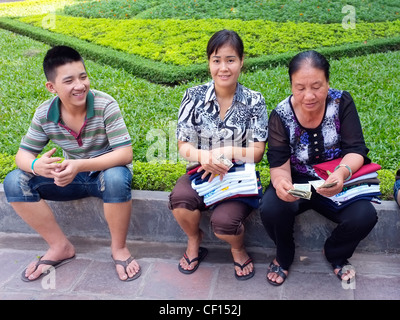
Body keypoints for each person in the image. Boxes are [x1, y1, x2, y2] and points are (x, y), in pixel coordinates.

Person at [3, 45, 141, 282]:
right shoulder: (44, 114)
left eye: (83, 76)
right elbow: (22, 156)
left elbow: (125, 154)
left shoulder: (105, 105)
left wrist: (79, 165)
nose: (80, 85)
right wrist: (38, 166)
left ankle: (119, 248)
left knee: (117, 177)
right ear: (51, 87)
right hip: (72, 178)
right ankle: (60, 247)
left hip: (105, 176)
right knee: (15, 181)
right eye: (69, 81)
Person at [259, 50, 378, 286]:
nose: (309, 95)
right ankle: (284, 255)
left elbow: (356, 149)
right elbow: (278, 164)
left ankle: (335, 253)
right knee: (271, 208)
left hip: (335, 182)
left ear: (327, 82)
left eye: (317, 86)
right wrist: (281, 183)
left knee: (364, 216)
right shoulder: (281, 115)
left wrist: (341, 173)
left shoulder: (341, 102)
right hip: (300, 186)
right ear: (291, 85)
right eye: (300, 88)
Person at [168, 29, 268, 280]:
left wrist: (225, 152)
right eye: (216, 60)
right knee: (179, 200)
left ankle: (238, 248)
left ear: (242, 61)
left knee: (225, 224)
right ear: (209, 63)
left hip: (237, 177)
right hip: (201, 172)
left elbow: (257, 153)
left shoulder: (254, 101)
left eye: (230, 60)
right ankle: (194, 240)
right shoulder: (193, 96)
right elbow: (183, 144)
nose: (223, 67)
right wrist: (204, 157)